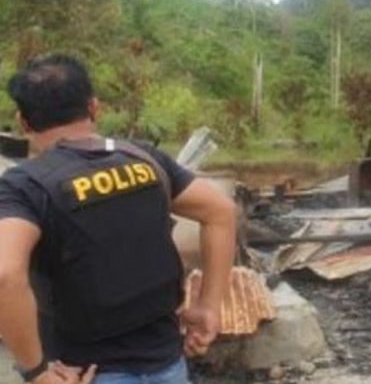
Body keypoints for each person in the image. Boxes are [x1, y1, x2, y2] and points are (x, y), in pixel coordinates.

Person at [0, 55, 236, 384]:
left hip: (85, 372)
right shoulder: (144, 158)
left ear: (23, 122)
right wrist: (208, 306)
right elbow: (221, 212)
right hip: (168, 364)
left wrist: (36, 370)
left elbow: (5, 274)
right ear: (94, 107)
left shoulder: (24, 185)